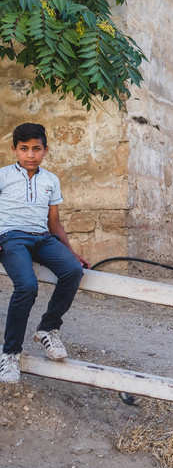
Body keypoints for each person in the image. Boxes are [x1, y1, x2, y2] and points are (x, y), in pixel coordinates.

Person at [0, 123, 89, 383]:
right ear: (14, 150)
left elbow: (54, 223)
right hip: (11, 238)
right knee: (26, 285)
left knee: (73, 271)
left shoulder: (51, 180)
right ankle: (10, 354)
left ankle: (48, 328)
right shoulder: (3, 176)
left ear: (45, 150)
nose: (30, 155)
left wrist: (70, 252)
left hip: (42, 238)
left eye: (36, 149)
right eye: (24, 149)